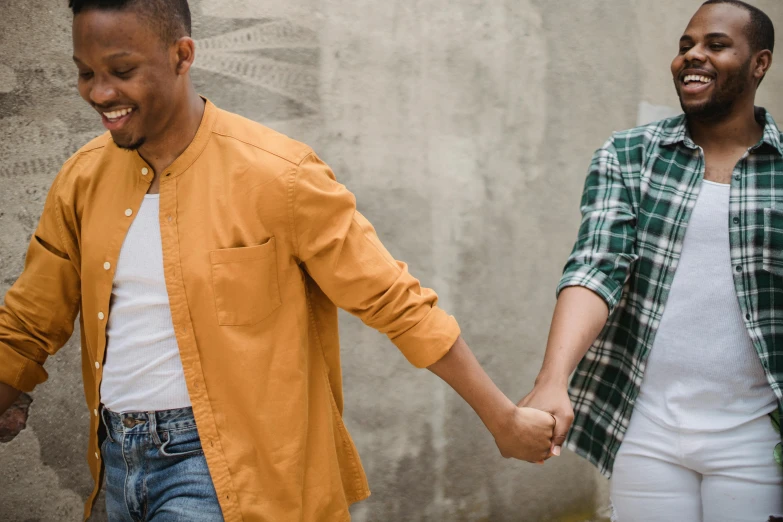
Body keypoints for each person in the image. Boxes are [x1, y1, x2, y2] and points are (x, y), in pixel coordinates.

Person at [0, 0, 556, 520]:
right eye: (85, 72)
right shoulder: (81, 179)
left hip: (226, 469)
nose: (100, 93)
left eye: (121, 71)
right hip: (113, 461)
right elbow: (30, 319)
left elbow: (395, 301)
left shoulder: (279, 174)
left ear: (182, 55)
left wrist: (502, 419)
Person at [520, 1, 783, 520]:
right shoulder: (629, 155)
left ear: (760, 63)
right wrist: (553, 378)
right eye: (686, 45)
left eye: (716, 44)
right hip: (647, 428)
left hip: (754, 433)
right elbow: (596, 267)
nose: (693, 56)